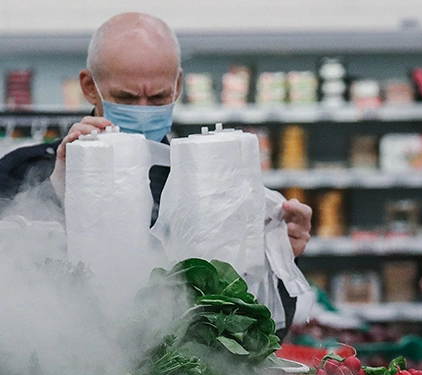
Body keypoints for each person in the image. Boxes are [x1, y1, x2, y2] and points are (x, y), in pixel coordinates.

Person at [0, 12, 311, 333]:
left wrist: (279, 258)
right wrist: (54, 191)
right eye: (126, 98)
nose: (143, 111)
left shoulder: (205, 183)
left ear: (177, 86)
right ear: (89, 87)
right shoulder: (21, 170)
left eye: (158, 97)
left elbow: (250, 331)